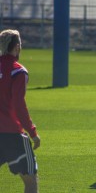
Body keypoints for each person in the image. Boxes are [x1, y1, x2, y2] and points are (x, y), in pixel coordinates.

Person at [0, 29, 41, 193]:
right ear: (17, 47)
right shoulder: (18, 71)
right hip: (12, 136)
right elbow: (18, 104)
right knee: (31, 181)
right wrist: (33, 132)